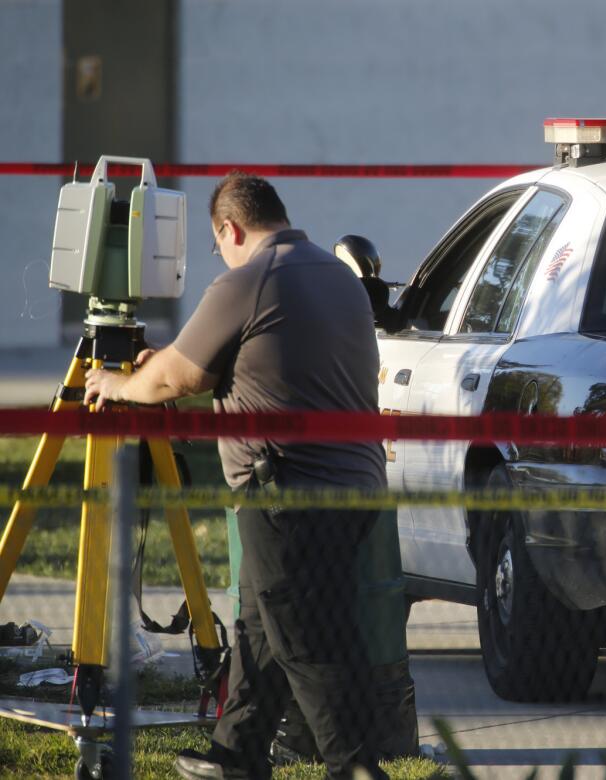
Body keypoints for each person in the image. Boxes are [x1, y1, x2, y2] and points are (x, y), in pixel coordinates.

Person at [85, 172, 389, 780]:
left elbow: (178, 379)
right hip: (355, 484)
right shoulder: (336, 278)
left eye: (216, 242)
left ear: (230, 228)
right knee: (259, 627)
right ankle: (236, 756)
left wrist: (118, 383)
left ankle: (355, 767)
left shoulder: (250, 279)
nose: (218, 254)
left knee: (305, 636)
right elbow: (268, 373)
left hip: (288, 494)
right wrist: (175, 364)